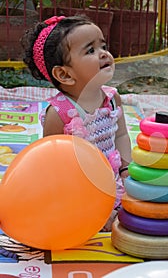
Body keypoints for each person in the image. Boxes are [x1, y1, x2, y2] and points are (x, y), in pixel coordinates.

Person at [21, 15, 131, 231]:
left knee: (142, 204)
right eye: (90, 50)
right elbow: (53, 166)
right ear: (65, 74)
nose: (104, 53)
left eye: (103, 45)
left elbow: (121, 135)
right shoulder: (59, 113)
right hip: (75, 185)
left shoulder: (111, 98)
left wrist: (126, 168)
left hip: (110, 177)